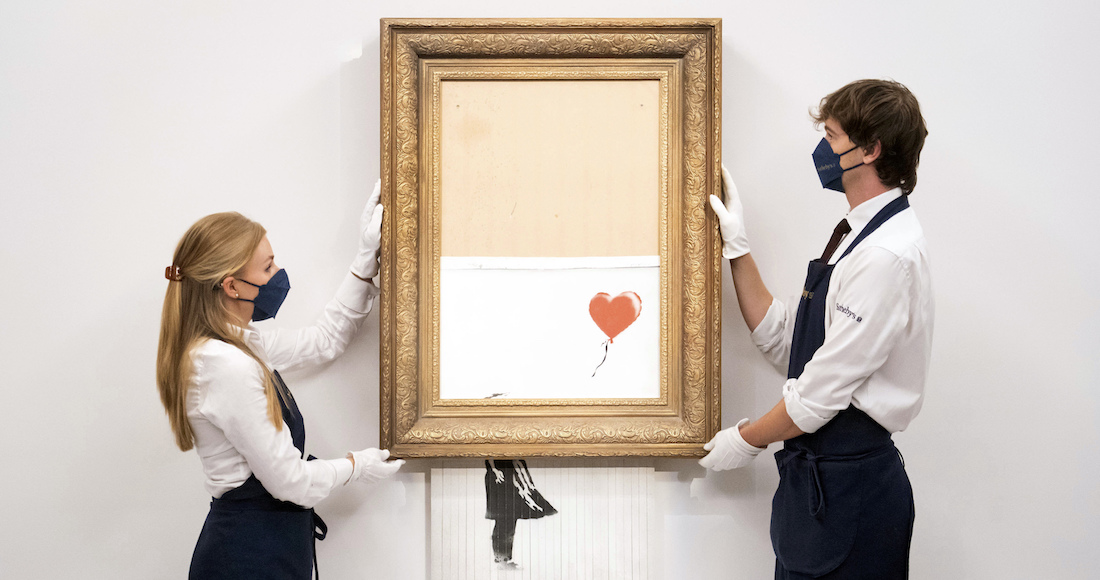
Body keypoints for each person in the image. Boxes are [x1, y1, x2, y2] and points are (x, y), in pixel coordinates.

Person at [700, 79, 932, 579]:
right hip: (820, 487)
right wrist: (737, 249)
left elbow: (818, 395)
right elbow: (788, 340)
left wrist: (746, 440)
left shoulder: (885, 256)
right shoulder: (854, 234)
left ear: (869, 150)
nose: (821, 149)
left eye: (831, 136)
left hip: (850, 492)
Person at [156, 180, 404, 579]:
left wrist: (364, 261)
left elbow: (325, 340)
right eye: (268, 267)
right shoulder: (225, 365)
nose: (277, 274)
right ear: (232, 285)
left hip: (267, 547)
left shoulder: (243, 345)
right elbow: (291, 482)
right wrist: (356, 465)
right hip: (248, 557)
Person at [484, 459, 557, 569]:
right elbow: (489, 453)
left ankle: (504, 558)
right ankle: (501, 559)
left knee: (510, 519)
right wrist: (494, 470)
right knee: (504, 519)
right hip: (500, 476)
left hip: (509, 474)